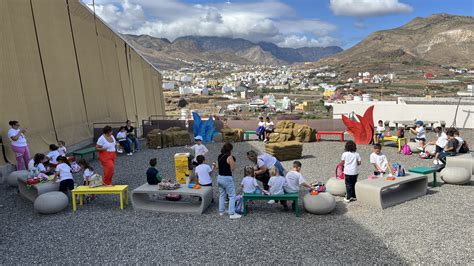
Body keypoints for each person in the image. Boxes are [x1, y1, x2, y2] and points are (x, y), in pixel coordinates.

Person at [216, 142, 241, 219]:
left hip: (219, 177)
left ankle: (221, 211)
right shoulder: (229, 157)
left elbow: (217, 167)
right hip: (227, 178)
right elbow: (232, 168)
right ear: (230, 149)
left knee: (222, 194)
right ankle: (232, 213)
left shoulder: (219, 156)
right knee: (232, 195)